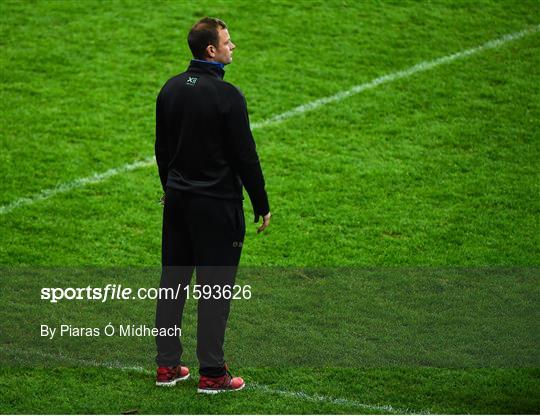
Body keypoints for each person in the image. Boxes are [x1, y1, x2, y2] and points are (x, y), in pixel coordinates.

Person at [153, 17, 271, 394]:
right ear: (211, 51)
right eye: (228, 41)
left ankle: (167, 366)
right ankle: (213, 373)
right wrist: (261, 202)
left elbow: (162, 150)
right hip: (217, 207)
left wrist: (169, 188)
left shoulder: (170, 89)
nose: (233, 46)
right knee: (215, 290)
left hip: (178, 202)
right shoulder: (228, 96)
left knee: (172, 283)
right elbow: (245, 156)